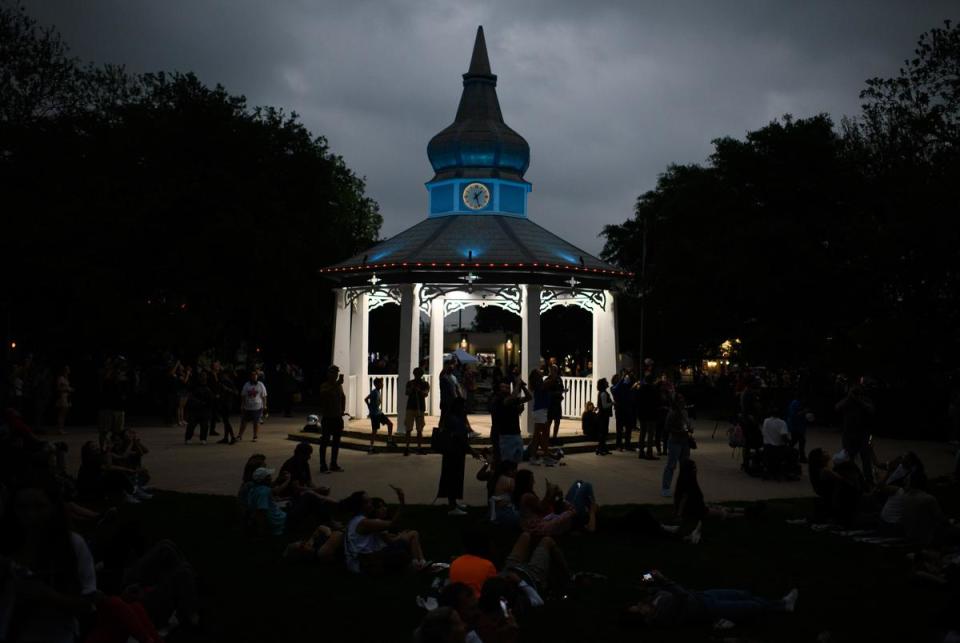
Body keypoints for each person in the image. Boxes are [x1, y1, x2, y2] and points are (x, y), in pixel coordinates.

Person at [2, 483, 100, 643]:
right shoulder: (6, 548)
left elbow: (87, 605)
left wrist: (47, 596)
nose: (30, 515)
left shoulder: (72, 545)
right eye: (22, 507)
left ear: (54, 508)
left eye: (39, 507)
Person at [626, 571, 798, 626]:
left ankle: (781, 603)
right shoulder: (662, 614)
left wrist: (648, 575)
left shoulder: (652, 602)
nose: (640, 604)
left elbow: (646, 584)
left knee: (743, 594)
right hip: (709, 608)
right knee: (752, 606)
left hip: (704, 595)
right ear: (646, 619)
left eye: (636, 605)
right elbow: (680, 594)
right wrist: (664, 580)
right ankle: (782, 605)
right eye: (639, 609)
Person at [342, 486, 426, 574]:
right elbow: (392, 524)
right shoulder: (364, 523)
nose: (371, 504)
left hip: (358, 563)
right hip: (364, 566)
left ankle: (418, 565)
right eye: (367, 502)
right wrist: (402, 502)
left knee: (400, 550)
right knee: (401, 553)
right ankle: (418, 566)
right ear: (361, 506)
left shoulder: (355, 520)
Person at [438, 397, 478, 515]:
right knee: (453, 478)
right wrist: (471, 450)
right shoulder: (453, 419)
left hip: (457, 453)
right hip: (453, 453)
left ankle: (454, 502)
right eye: (463, 406)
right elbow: (460, 438)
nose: (464, 408)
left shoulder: (454, 418)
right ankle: (452, 506)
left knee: (456, 478)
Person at [835, 381, 876, 486]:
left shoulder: (865, 400)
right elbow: (837, 408)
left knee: (865, 458)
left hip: (863, 434)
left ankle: (868, 480)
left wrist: (859, 401)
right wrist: (849, 398)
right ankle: (851, 479)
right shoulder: (848, 401)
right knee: (849, 457)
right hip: (849, 434)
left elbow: (871, 410)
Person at [491, 378, 531, 465]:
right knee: (502, 462)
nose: (506, 389)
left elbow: (529, 397)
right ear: (498, 389)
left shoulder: (511, 399)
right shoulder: (497, 399)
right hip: (503, 435)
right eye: (503, 387)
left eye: (508, 387)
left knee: (515, 462)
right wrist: (518, 384)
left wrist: (523, 386)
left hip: (515, 433)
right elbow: (510, 400)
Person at [449, 529, 498, 598]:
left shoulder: (456, 562)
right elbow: (494, 590)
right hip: (475, 604)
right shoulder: (488, 565)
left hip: (455, 601)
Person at [660, 394, 692, 497]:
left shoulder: (685, 412)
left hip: (685, 441)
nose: (683, 402)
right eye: (680, 400)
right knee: (671, 465)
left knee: (685, 466)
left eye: (683, 400)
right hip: (675, 441)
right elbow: (667, 428)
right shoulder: (672, 413)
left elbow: (687, 424)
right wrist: (678, 431)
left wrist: (689, 429)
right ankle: (665, 487)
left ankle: (683, 488)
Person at [317, 365, 346, 473]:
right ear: (328, 374)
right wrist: (336, 384)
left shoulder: (339, 386)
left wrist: (342, 409)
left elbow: (343, 396)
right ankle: (323, 465)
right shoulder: (324, 385)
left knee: (336, 442)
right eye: (333, 373)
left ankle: (333, 463)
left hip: (337, 418)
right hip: (328, 418)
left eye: (336, 373)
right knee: (324, 441)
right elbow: (324, 394)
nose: (335, 375)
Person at [246, 466, 289, 536]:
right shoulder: (263, 492)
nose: (271, 478)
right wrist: (261, 533)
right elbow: (262, 512)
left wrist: (279, 479)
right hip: (276, 521)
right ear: (264, 480)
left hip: (272, 518)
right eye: (268, 476)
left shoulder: (254, 489)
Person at [761, 406, 794, 479]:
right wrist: (789, 442)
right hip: (778, 448)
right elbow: (784, 436)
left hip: (767, 447)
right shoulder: (782, 423)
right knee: (793, 452)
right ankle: (788, 471)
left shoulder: (766, 421)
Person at [528, 370, 554, 464]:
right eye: (539, 373)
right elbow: (551, 381)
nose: (541, 372)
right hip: (540, 411)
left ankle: (537, 456)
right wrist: (553, 372)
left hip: (540, 411)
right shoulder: (540, 385)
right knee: (540, 435)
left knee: (538, 435)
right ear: (537, 376)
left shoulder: (540, 384)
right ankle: (542, 456)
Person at [184, 370, 215, 445]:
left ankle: (203, 438)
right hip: (196, 408)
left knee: (204, 425)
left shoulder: (208, 386)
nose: (204, 378)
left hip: (204, 409)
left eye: (205, 376)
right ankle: (188, 438)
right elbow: (191, 396)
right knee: (192, 424)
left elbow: (211, 399)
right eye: (202, 376)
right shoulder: (195, 386)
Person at [364, 377, 394, 454]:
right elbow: (366, 399)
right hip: (375, 415)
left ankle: (389, 441)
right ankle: (371, 448)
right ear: (377, 384)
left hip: (379, 413)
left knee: (390, 424)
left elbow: (367, 400)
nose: (382, 384)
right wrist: (370, 407)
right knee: (374, 431)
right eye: (381, 383)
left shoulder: (377, 391)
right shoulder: (374, 392)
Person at [403, 367, 429, 456]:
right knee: (408, 429)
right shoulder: (410, 383)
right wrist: (412, 389)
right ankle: (406, 448)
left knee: (419, 429)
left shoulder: (425, 383)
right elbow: (406, 392)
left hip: (420, 408)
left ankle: (419, 448)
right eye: (416, 374)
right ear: (414, 374)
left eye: (419, 374)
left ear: (421, 375)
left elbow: (426, 394)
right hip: (410, 408)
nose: (417, 376)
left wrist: (419, 391)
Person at [236, 369, 268, 442]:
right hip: (247, 407)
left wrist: (265, 405)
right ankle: (239, 435)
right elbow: (243, 395)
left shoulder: (260, 385)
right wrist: (242, 405)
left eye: (255, 375)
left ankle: (255, 436)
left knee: (256, 422)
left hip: (257, 407)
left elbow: (264, 396)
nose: (254, 377)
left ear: (257, 376)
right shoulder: (246, 384)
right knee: (244, 422)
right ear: (250, 376)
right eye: (252, 375)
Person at [211, 361, 237, 444]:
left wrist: (226, 389)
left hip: (227, 403)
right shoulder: (222, 380)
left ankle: (232, 437)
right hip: (223, 402)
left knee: (226, 420)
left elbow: (236, 392)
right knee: (225, 420)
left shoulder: (227, 381)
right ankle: (226, 438)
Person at [635, 374, 660, 460]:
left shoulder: (641, 389)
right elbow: (656, 401)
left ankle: (641, 452)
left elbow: (637, 401)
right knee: (650, 434)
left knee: (642, 433)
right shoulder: (653, 389)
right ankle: (649, 453)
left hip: (642, 414)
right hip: (651, 414)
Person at [612, 371, 636, 451]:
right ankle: (618, 445)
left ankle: (627, 445)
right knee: (619, 429)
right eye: (618, 379)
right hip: (620, 410)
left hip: (627, 409)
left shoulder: (624, 387)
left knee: (628, 428)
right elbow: (617, 390)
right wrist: (622, 379)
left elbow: (629, 390)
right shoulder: (613, 388)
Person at [545, 365, 565, 445]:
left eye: (555, 370)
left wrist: (562, 392)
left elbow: (561, 388)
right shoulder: (548, 379)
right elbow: (547, 392)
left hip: (557, 403)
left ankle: (554, 437)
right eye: (552, 370)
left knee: (557, 421)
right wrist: (557, 393)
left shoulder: (559, 379)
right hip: (551, 403)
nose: (554, 372)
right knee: (549, 421)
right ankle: (547, 438)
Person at [785, 394, 808, 463]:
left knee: (796, 441)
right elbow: (794, 415)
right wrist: (804, 412)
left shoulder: (796, 403)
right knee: (799, 441)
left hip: (798, 426)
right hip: (796, 426)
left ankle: (799, 457)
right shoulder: (795, 403)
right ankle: (801, 457)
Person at [595, 377, 613, 456]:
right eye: (606, 382)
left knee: (604, 432)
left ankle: (602, 448)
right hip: (603, 415)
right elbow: (604, 406)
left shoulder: (602, 393)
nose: (608, 383)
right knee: (603, 433)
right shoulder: (603, 393)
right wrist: (612, 403)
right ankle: (600, 448)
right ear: (603, 384)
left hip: (603, 415)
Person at [54, 365, 73, 434]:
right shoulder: (61, 378)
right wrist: (67, 389)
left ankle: (61, 428)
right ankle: (59, 429)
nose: (69, 370)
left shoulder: (66, 378)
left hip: (67, 396)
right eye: (67, 369)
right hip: (63, 396)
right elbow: (59, 388)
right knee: (61, 414)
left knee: (64, 414)